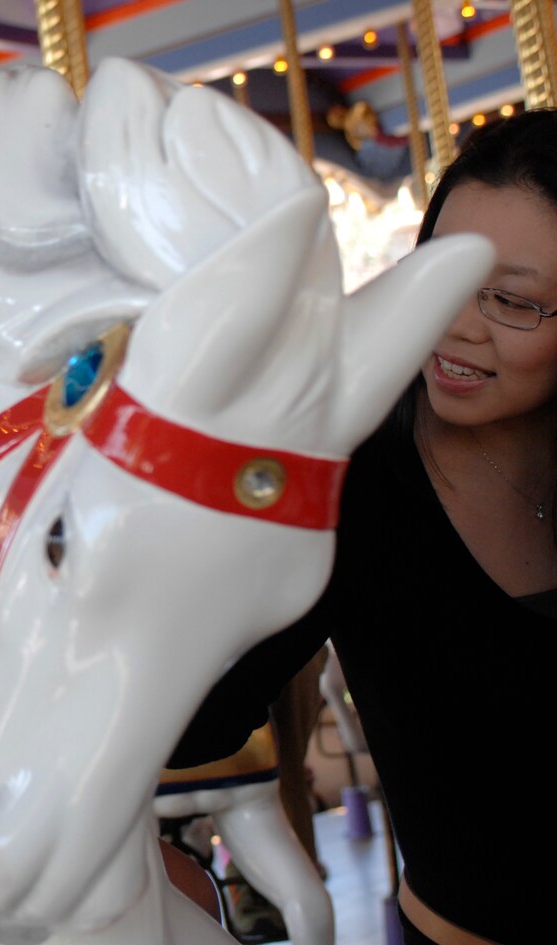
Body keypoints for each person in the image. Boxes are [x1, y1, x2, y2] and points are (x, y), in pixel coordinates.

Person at [173, 110, 556, 945]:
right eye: (441, 277)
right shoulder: (352, 478)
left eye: (513, 302)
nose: (457, 324)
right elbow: (198, 713)